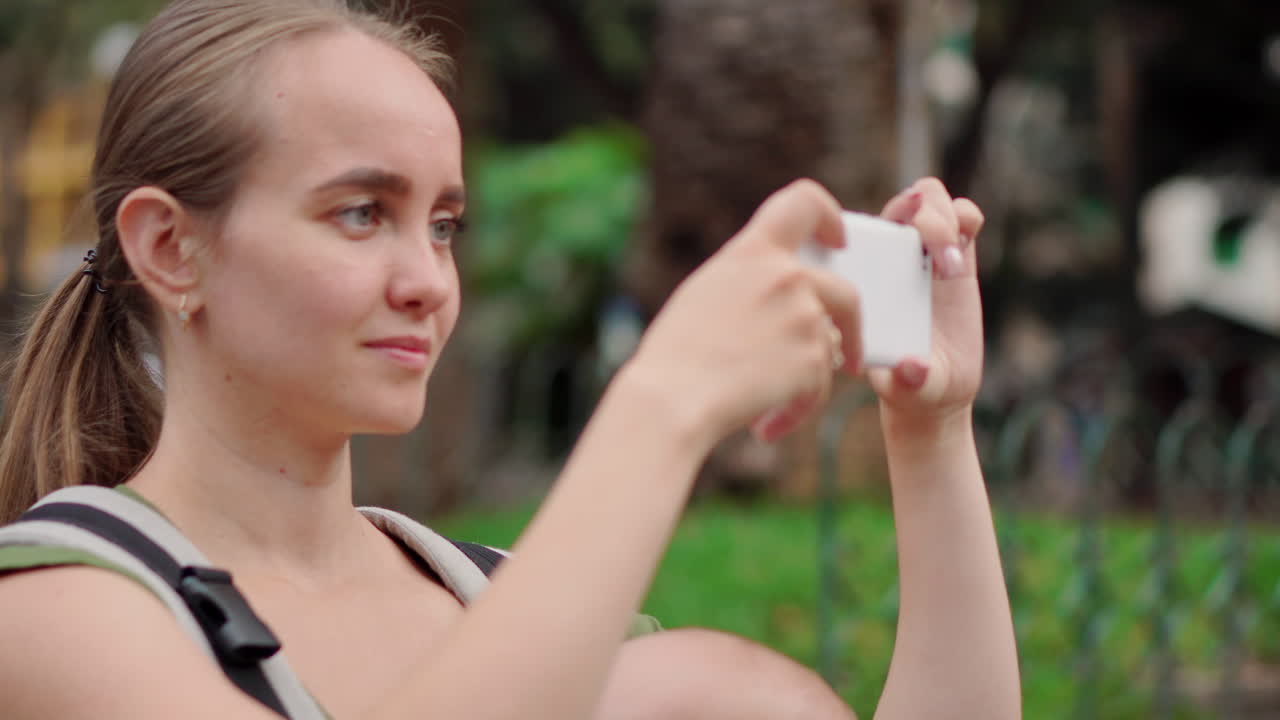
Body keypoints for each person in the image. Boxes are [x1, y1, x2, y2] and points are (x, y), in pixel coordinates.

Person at [0, 1, 1020, 718]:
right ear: (170, 247)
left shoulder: (487, 596)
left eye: (441, 224)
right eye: (361, 213)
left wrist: (929, 432)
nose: (426, 279)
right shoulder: (55, 615)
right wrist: (661, 401)